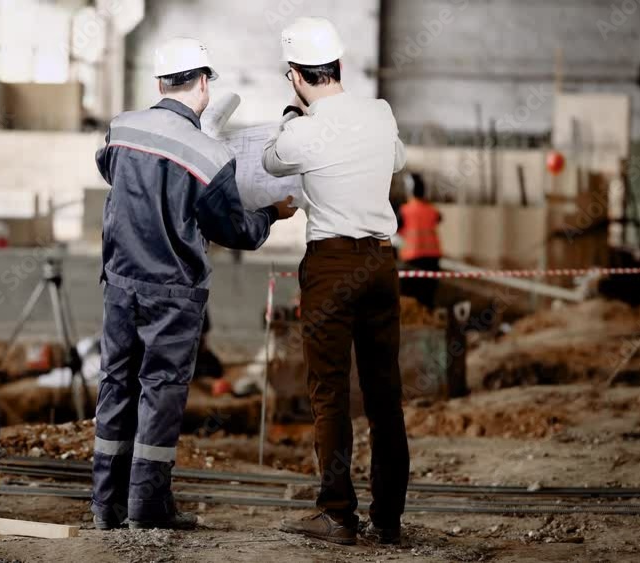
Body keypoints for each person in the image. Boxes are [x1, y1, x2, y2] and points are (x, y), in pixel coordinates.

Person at [92, 37, 296, 531]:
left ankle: (105, 504)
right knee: (159, 392)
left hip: (119, 283)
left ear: (160, 83)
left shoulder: (121, 127)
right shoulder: (209, 155)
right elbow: (237, 231)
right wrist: (273, 212)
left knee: (116, 385)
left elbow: (108, 170)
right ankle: (147, 508)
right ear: (204, 84)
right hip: (173, 294)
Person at [262, 17, 410, 545]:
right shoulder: (380, 112)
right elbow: (396, 158)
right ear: (339, 66)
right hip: (381, 263)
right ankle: (388, 519)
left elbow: (270, 160)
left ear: (296, 77)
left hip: (331, 265)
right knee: (384, 395)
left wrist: (290, 116)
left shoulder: (302, 128)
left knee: (330, 395)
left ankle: (338, 514)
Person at [399, 173, 443, 308]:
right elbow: (439, 218)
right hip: (432, 260)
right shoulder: (431, 210)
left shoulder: (405, 211)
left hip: (413, 260)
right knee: (427, 298)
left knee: (411, 298)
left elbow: (395, 228)